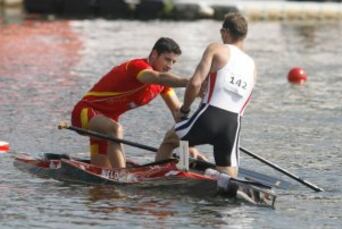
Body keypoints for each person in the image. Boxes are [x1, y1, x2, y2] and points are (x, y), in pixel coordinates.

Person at [156, 13, 257, 177]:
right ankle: (220, 181)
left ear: (224, 32)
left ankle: (163, 178)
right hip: (232, 125)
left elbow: (195, 83)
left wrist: (184, 110)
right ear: (244, 35)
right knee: (229, 174)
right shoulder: (252, 65)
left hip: (208, 118)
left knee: (171, 139)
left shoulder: (216, 48)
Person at [72, 37, 190, 169]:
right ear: (154, 54)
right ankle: (122, 176)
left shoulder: (163, 85)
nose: (170, 66)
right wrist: (188, 82)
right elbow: (156, 77)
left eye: (173, 62)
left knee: (100, 171)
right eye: (167, 59)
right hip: (85, 113)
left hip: (105, 122)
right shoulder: (138, 66)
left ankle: (113, 177)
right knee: (115, 129)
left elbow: (177, 112)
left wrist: (190, 145)